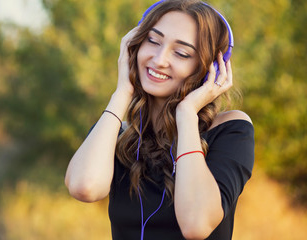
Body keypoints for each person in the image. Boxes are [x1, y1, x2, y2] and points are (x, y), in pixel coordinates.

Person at [65, 0, 254, 239]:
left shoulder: (231, 129)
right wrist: (122, 92)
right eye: (152, 41)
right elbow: (85, 187)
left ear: (208, 68)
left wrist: (186, 114)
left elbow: (196, 224)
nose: (159, 59)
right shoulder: (116, 134)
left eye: (181, 52)